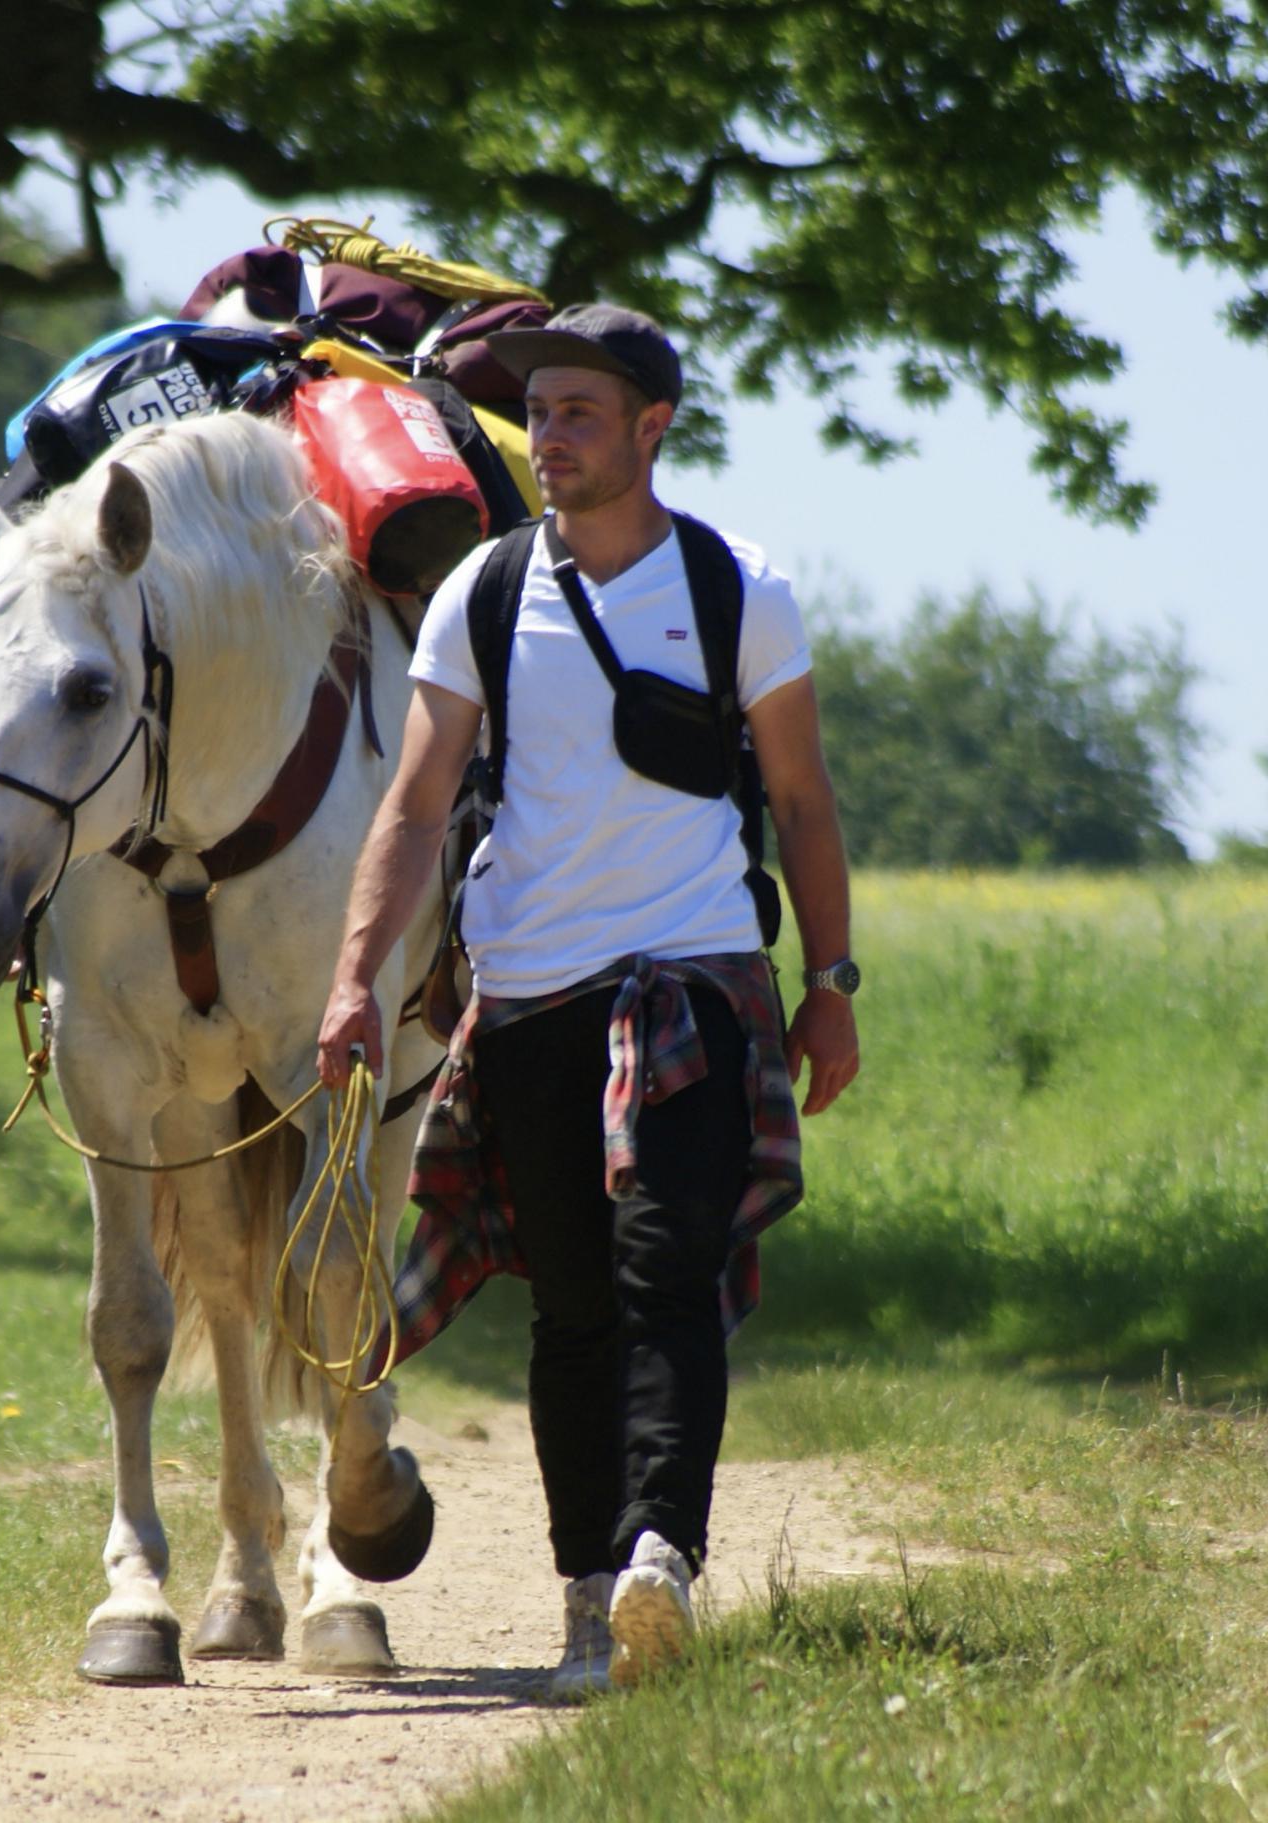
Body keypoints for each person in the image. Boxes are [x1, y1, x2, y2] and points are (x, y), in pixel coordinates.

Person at [315, 303, 860, 1699]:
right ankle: (582, 1605)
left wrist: (831, 985)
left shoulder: (742, 589)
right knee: (569, 1309)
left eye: (578, 415)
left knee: (663, 1268)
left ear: (652, 428)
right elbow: (417, 802)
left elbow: (799, 800)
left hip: (692, 975)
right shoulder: (483, 594)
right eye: (538, 412)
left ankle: (659, 1562)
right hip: (530, 994)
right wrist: (355, 983)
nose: (548, 438)